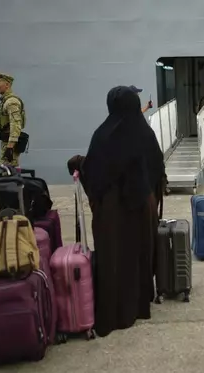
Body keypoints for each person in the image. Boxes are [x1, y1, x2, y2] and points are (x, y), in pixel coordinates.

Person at [66, 86, 165, 338]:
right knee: (141, 252)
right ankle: (141, 303)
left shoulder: (104, 134)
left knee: (115, 256)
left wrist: (78, 162)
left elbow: (97, 171)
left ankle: (117, 310)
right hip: (143, 205)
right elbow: (156, 167)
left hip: (114, 212)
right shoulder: (145, 132)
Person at [0, 73, 26, 166]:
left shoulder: (11, 102)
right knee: (6, 170)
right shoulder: (5, 101)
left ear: (7, 84)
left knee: (5, 170)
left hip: (10, 144)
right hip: (6, 141)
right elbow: (5, 123)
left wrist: (10, 147)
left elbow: (16, 124)